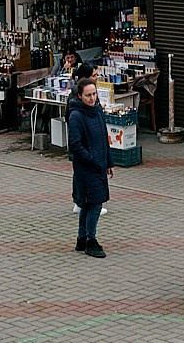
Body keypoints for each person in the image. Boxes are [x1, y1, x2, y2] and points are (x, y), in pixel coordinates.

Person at [68, 77, 111, 258]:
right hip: (86, 168)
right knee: (94, 204)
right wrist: (92, 159)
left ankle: (82, 238)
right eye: (88, 95)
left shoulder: (97, 112)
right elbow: (75, 145)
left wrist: (109, 162)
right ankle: (90, 241)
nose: (92, 98)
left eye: (94, 94)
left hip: (99, 165)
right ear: (80, 96)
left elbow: (104, 138)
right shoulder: (76, 116)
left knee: (88, 204)